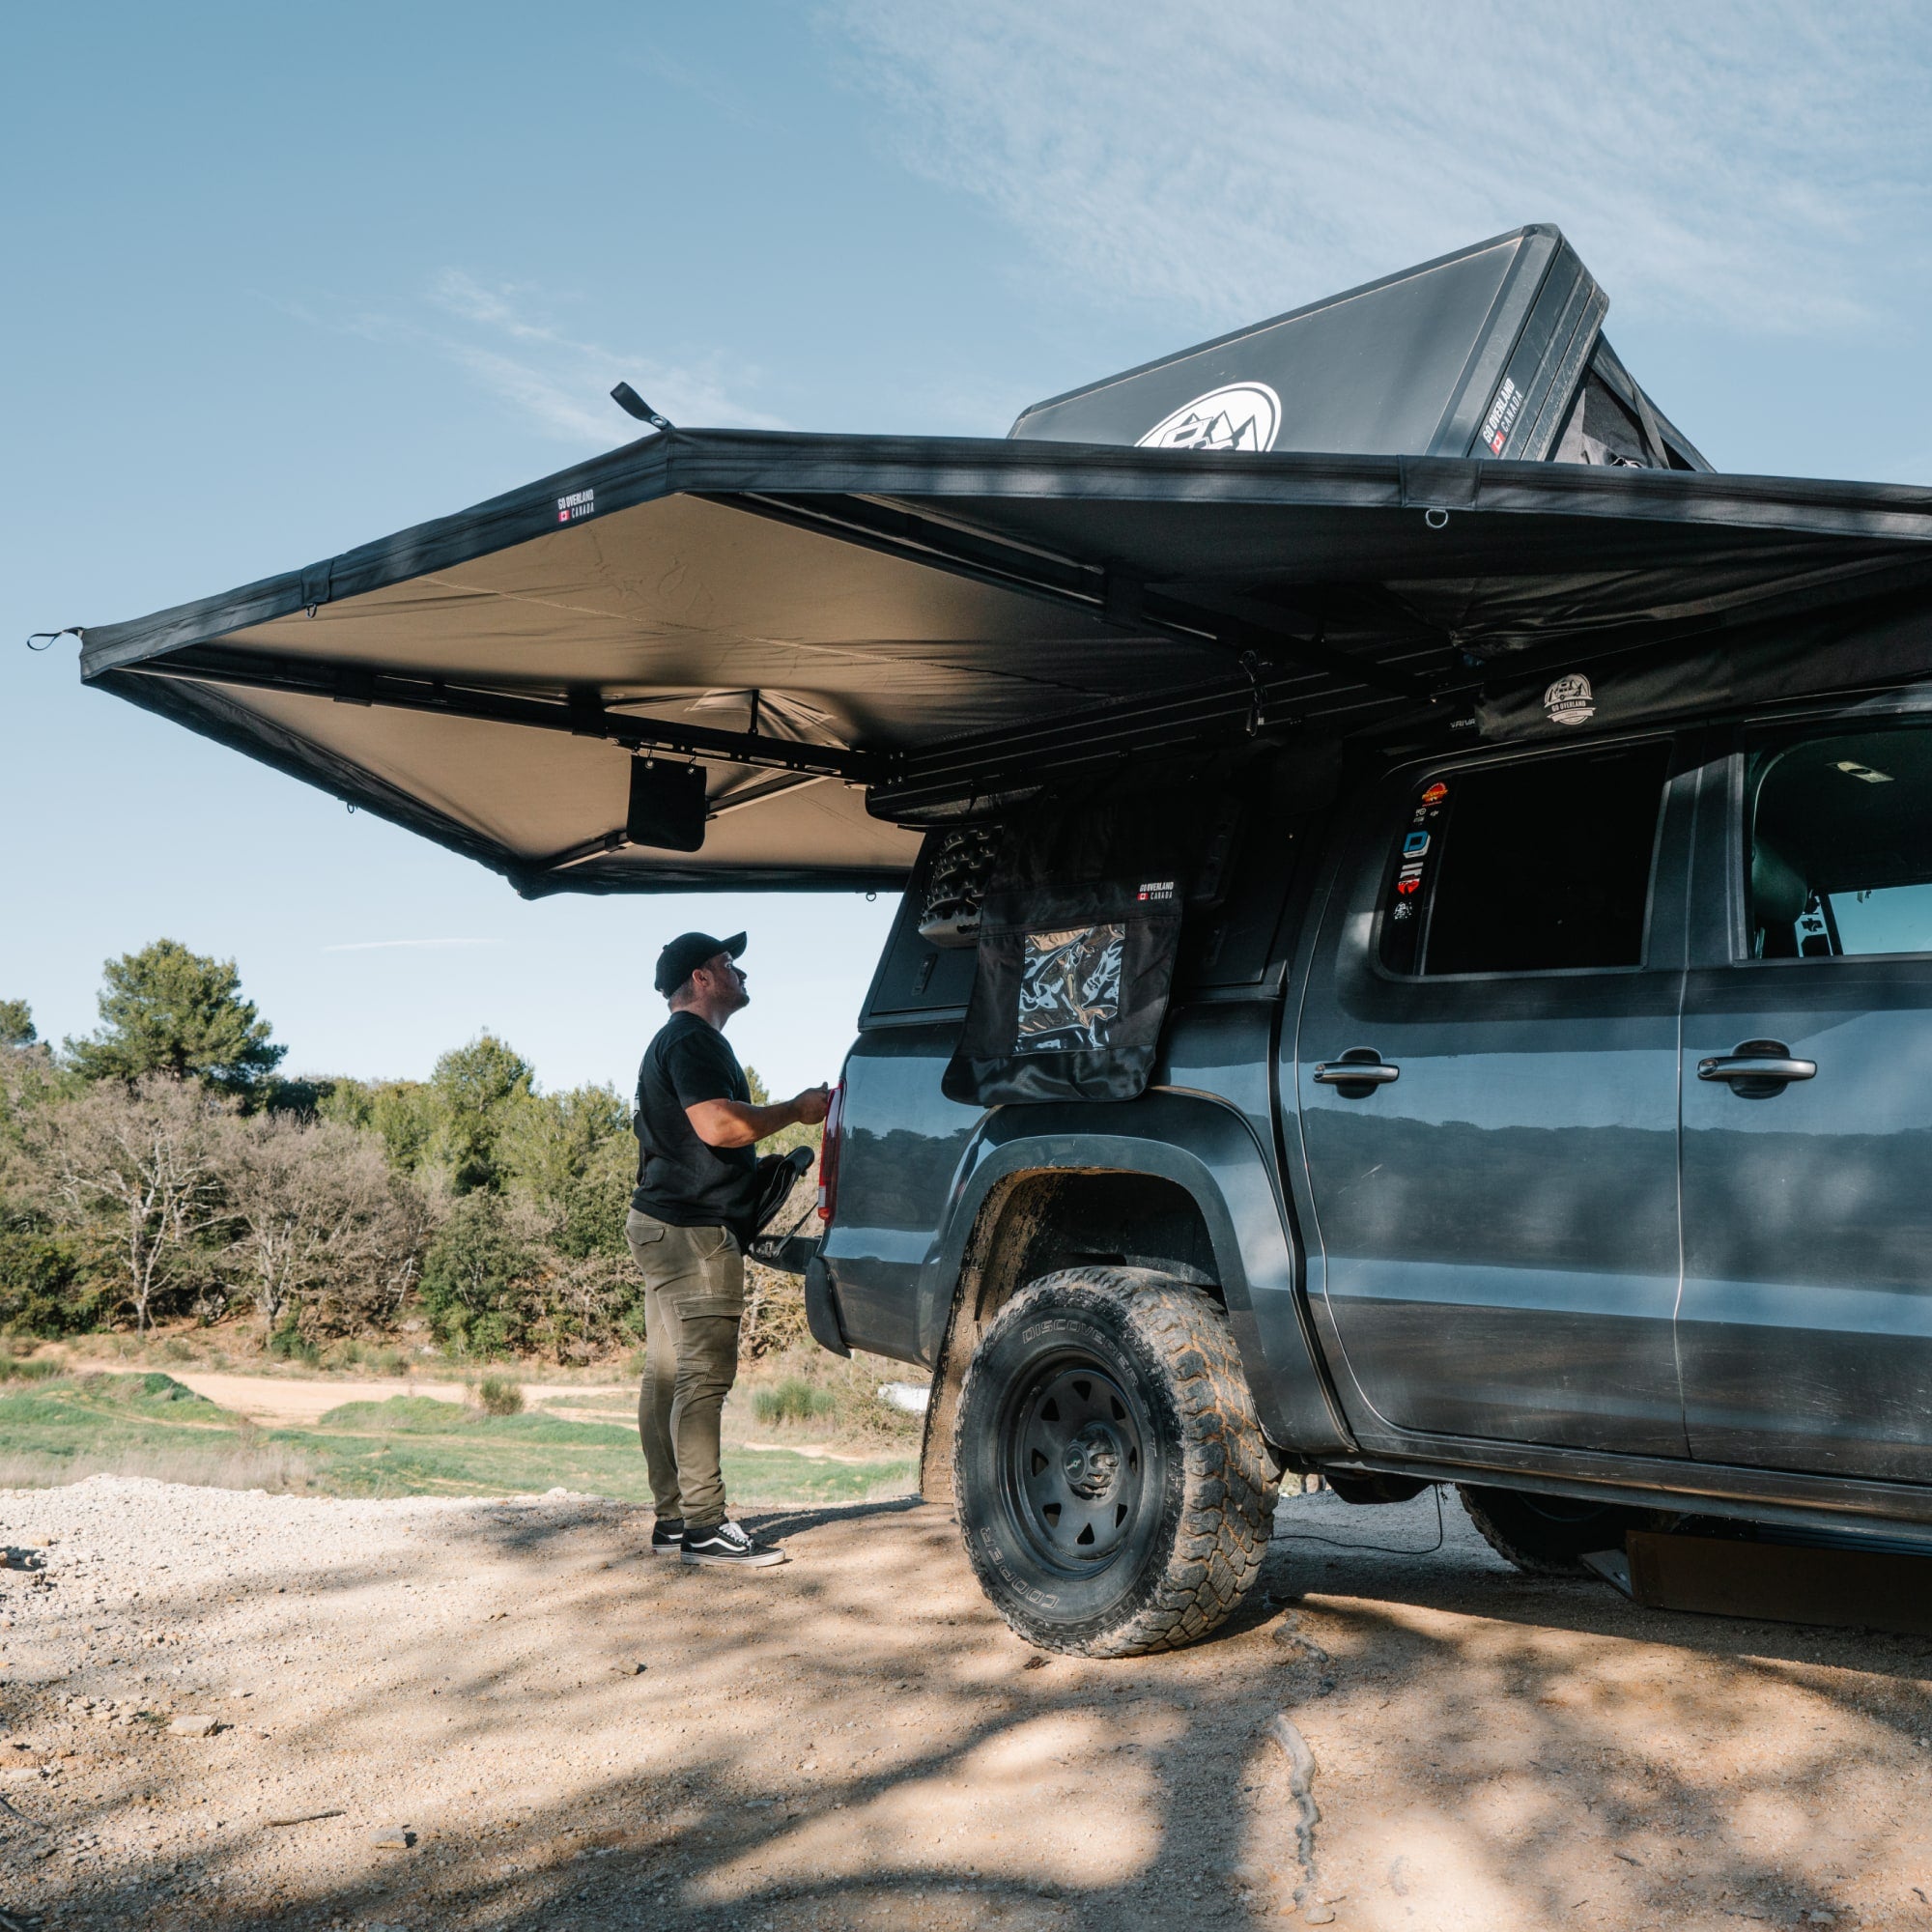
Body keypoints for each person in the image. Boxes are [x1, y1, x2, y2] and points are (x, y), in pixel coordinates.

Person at [627, 930, 831, 1568]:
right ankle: (706, 1528)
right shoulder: (692, 1040)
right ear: (701, 977)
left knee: (666, 1374)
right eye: (727, 962)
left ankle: (674, 1519)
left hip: (660, 1224)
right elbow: (716, 1125)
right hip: (694, 1235)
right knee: (702, 1375)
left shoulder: (672, 1042)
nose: (740, 971)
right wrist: (797, 1110)